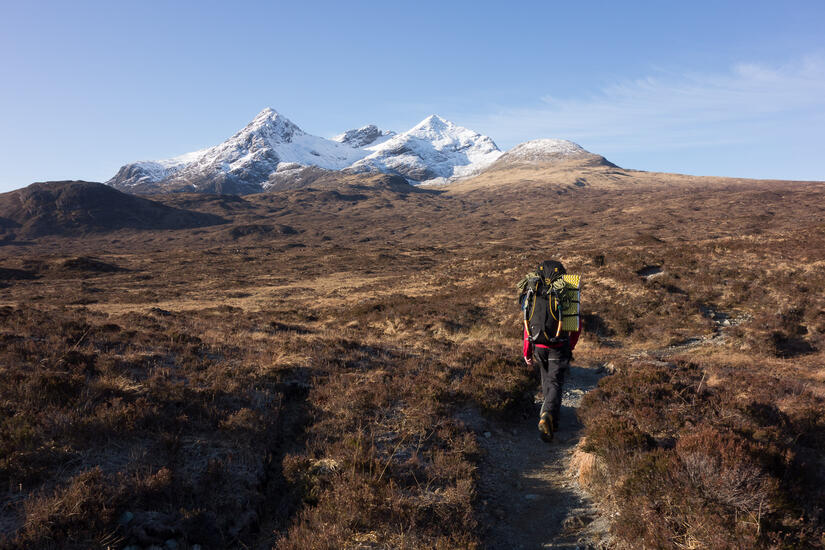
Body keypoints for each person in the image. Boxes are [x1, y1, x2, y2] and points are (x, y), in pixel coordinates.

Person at [520, 260, 581, 442]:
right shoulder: (564, 292)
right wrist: (570, 345)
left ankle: (552, 422)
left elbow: (527, 325)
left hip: (538, 345)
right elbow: (576, 325)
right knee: (555, 383)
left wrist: (527, 351)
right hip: (558, 345)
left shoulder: (533, 292)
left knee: (547, 381)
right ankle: (547, 415)